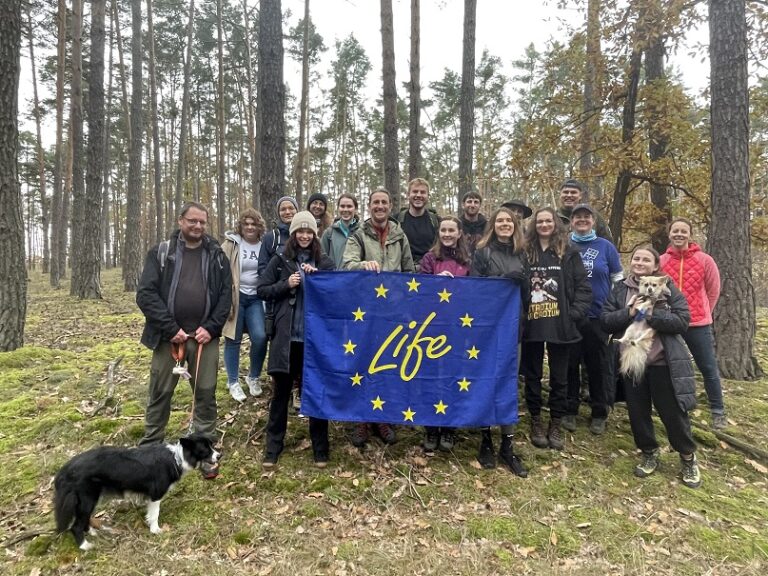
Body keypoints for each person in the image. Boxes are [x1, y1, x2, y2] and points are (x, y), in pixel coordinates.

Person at [136, 202, 232, 474]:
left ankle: (203, 452)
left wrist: (211, 327)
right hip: (169, 338)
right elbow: (145, 294)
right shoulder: (161, 253)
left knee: (205, 393)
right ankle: (149, 450)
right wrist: (170, 327)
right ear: (181, 221)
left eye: (202, 222)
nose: (198, 226)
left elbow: (226, 296)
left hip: (204, 338)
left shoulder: (216, 256)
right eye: (192, 221)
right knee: (160, 392)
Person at [601, 246, 701, 488]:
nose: (640, 262)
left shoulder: (669, 292)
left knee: (673, 413)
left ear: (656, 266)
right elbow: (605, 320)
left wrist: (652, 315)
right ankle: (649, 452)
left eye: (646, 259)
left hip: (662, 362)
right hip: (632, 361)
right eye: (636, 258)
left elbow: (682, 321)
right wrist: (630, 312)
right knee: (637, 412)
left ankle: (687, 456)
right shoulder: (620, 289)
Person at [256, 211, 335, 469]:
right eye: (300, 231)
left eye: (309, 231)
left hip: (314, 341)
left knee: (314, 393)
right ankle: (272, 449)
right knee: (280, 394)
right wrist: (286, 284)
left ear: (315, 234)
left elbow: (336, 293)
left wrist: (319, 280)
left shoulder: (324, 262)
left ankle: (320, 450)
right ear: (293, 234)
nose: (304, 235)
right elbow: (262, 290)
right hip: (286, 338)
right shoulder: (280, 260)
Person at [342, 187, 416, 446]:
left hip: (392, 312)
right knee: (363, 363)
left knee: (387, 363)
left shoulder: (399, 235)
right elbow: (347, 265)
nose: (380, 206)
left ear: (391, 205)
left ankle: (382, 416)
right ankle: (362, 419)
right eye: (376, 202)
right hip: (365, 312)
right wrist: (364, 265)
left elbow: (410, 270)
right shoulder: (358, 235)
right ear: (369, 205)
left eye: (384, 202)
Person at [521, 207, 592, 451]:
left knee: (560, 377)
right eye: (539, 221)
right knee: (532, 374)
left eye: (548, 221)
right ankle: (536, 420)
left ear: (555, 224)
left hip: (561, 325)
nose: (544, 225)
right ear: (534, 225)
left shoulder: (568, 252)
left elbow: (583, 288)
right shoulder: (525, 251)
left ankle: (556, 422)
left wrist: (573, 314)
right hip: (532, 324)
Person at [469, 207, 529, 477]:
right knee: (485, 379)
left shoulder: (522, 253)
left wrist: (523, 283)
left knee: (508, 382)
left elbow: (528, 295)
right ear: (493, 225)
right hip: (486, 328)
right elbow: (475, 288)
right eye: (500, 221)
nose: (505, 224)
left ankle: (507, 443)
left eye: (509, 221)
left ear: (515, 225)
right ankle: (485, 439)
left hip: (513, 327)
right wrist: (502, 281)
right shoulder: (483, 252)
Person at [660, 218, 727, 429]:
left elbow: (713, 290)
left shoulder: (705, 260)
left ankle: (718, 410)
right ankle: (674, 405)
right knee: (669, 367)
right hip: (670, 322)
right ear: (669, 234)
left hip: (698, 323)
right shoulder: (661, 261)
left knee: (707, 366)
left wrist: (704, 311)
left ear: (690, 234)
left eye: (683, 231)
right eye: (675, 231)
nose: (679, 234)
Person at [564, 204, 624, 434]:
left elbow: (618, 279)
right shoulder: (565, 245)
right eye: (577, 217)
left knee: (597, 365)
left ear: (593, 221)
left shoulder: (605, 247)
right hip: (570, 316)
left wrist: (614, 308)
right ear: (571, 221)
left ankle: (599, 411)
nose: (582, 220)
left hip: (599, 316)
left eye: (586, 217)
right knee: (569, 364)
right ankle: (570, 410)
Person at [419, 216, 470, 454]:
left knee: (454, 376)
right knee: (431, 376)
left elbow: (478, 290)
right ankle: (431, 427)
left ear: (459, 233)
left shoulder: (468, 260)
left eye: (452, 230)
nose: (447, 234)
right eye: (443, 230)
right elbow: (417, 291)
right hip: (432, 328)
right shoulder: (430, 258)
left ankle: (449, 426)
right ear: (439, 233)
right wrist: (433, 283)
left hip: (459, 327)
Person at [221, 208, 268, 403]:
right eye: (246, 223)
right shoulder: (232, 244)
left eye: (253, 224)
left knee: (260, 336)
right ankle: (233, 382)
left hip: (256, 298)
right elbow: (220, 270)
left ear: (259, 227)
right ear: (240, 226)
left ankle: (253, 376)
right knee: (233, 338)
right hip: (236, 297)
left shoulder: (264, 245)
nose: (249, 227)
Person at [258, 196, 301, 411]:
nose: (287, 212)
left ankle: (297, 392)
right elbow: (263, 274)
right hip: (278, 302)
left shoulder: (308, 237)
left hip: (302, 308)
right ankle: (278, 393)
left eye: (290, 208)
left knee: (299, 350)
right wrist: (284, 284)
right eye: (283, 209)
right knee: (278, 348)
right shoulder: (271, 238)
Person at [395, 177, 440, 269]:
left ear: (428, 196)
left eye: (423, 192)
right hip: (402, 272)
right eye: (415, 191)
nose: (418, 195)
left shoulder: (436, 221)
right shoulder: (396, 220)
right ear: (408, 195)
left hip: (429, 271)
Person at [321, 193, 359, 269]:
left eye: (349, 206)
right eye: (342, 206)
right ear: (338, 208)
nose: (345, 209)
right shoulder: (329, 233)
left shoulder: (362, 232)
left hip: (357, 278)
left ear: (355, 209)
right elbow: (321, 258)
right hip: (335, 278)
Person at [459, 191, 487, 255]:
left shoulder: (487, 226)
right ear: (463, 205)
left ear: (480, 206)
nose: (472, 205)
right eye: (469, 201)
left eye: (476, 202)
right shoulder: (457, 225)